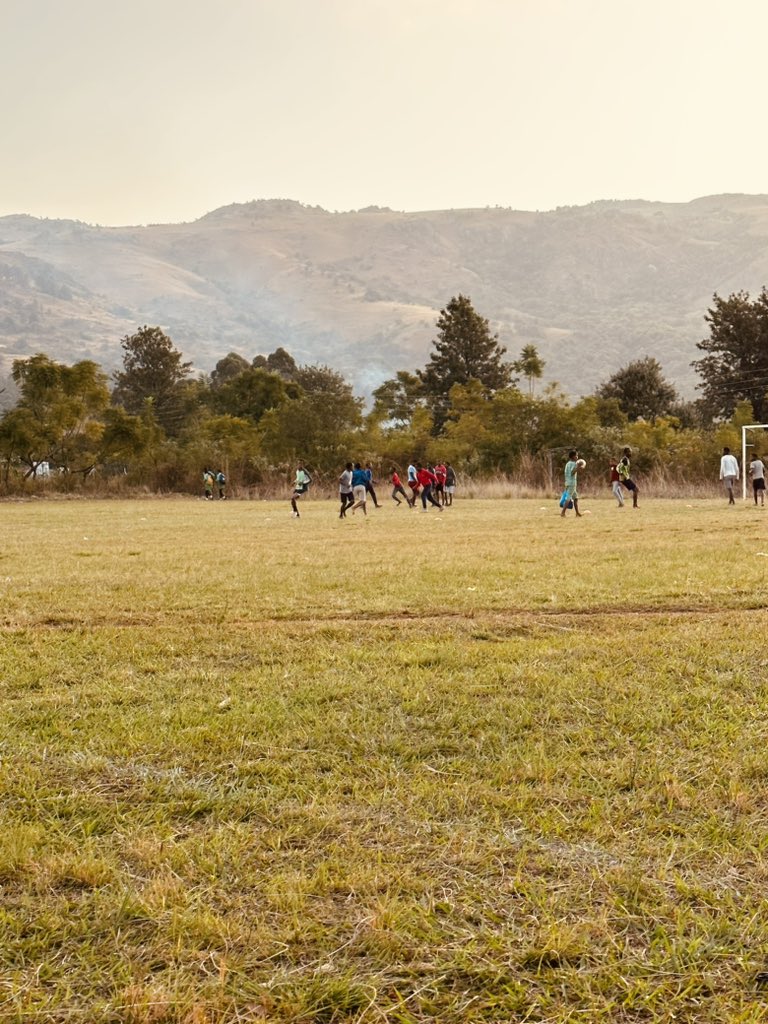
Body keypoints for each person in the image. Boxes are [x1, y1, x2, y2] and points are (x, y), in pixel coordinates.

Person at [561, 450, 583, 518]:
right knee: (568, 498)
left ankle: (577, 513)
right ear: (573, 457)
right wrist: (578, 467)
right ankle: (563, 513)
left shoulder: (568, 463)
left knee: (576, 498)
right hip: (572, 483)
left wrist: (578, 467)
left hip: (567, 482)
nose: (577, 457)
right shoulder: (573, 464)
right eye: (576, 455)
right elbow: (572, 472)